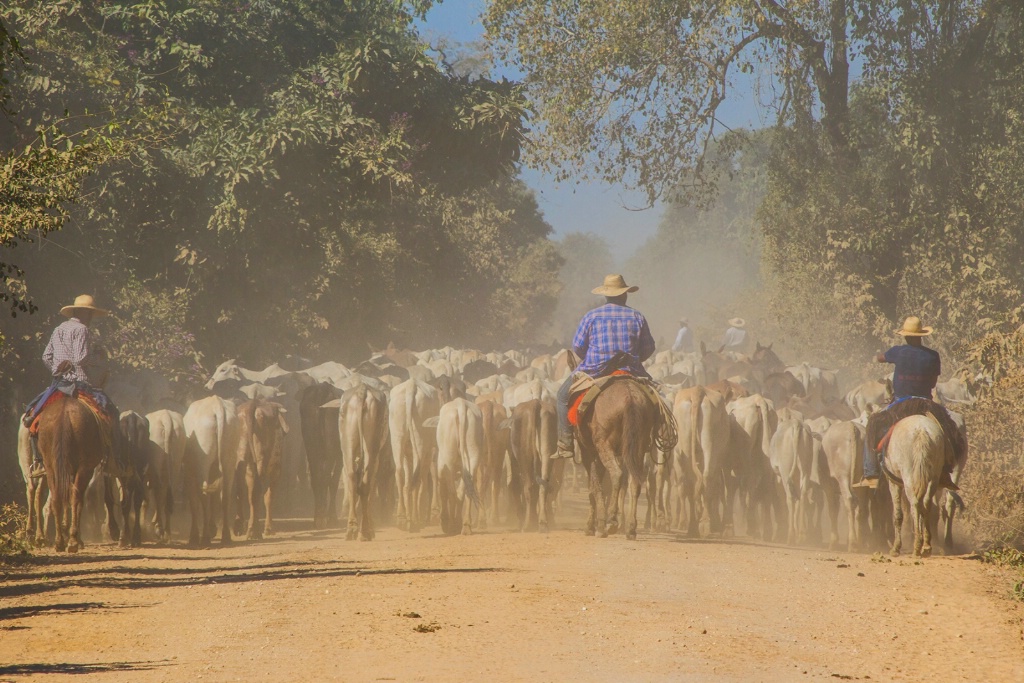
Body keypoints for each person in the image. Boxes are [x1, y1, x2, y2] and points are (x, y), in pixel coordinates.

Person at [552, 274, 656, 459]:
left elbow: (577, 347)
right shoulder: (637, 316)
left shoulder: (592, 316)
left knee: (561, 396)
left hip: (594, 370)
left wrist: (592, 359)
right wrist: (634, 359)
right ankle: (651, 437)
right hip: (630, 370)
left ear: (606, 295)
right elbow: (649, 348)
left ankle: (566, 443)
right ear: (625, 295)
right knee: (658, 400)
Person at [853, 316, 962, 490]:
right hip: (926, 404)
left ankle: (871, 473)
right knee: (949, 431)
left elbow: (881, 358)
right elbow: (933, 383)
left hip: (901, 403)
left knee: (872, 426)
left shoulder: (898, 352)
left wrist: (874, 357)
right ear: (921, 336)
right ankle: (945, 471)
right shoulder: (933, 355)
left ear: (906, 336)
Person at [24, 294, 124, 478]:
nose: (92, 318)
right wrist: (98, 359)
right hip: (79, 383)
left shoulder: (58, 329)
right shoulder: (82, 330)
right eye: (91, 314)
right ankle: (114, 461)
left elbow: (46, 356)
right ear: (85, 313)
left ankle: (38, 462)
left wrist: (57, 368)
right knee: (111, 412)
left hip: (58, 384)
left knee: (32, 414)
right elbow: (80, 359)